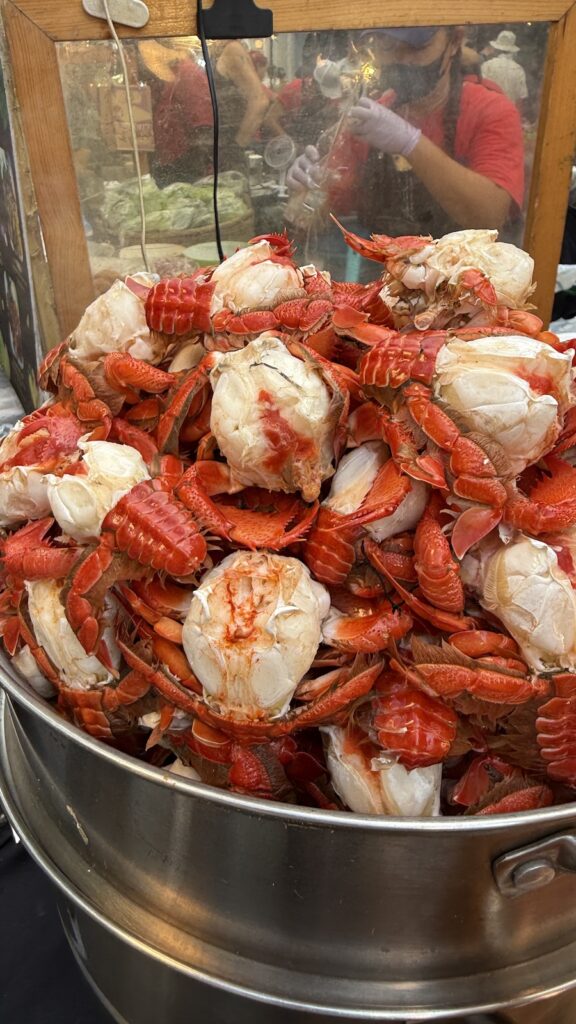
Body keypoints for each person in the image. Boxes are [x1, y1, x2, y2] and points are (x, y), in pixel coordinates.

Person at [286, 26, 525, 276]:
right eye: (388, 47)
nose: (402, 60)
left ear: (454, 41)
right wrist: (306, 187)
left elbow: (489, 216)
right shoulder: (370, 118)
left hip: (463, 285)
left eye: (417, 48)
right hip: (381, 281)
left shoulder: (490, 111)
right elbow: (319, 215)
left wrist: (410, 142)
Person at [481, 30, 528, 111]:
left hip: (489, 112)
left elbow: (481, 93)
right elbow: (520, 99)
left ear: (496, 48)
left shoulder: (487, 66)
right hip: (509, 114)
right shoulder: (519, 70)